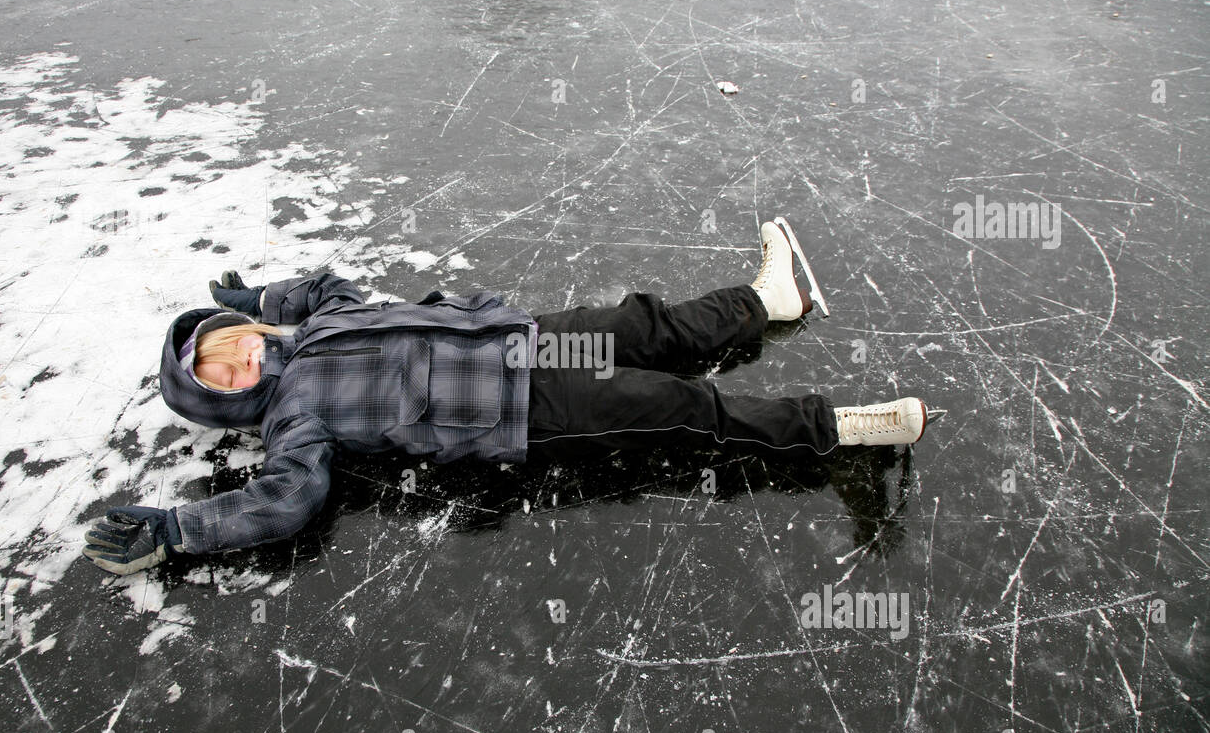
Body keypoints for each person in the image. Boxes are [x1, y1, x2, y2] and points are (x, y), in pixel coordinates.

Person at [83, 219, 932, 574]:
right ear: (226, 406)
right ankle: (843, 429)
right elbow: (285, 503)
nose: (235, 362)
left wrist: (257, 301)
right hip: (523, 411)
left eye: (222, 346)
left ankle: (765, 302)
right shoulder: (292, 423)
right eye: (218, 378)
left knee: (647, 328)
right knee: (678, 410)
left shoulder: (318, 325)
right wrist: (180, 529)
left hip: (522, 334)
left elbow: (321, 285)